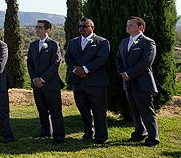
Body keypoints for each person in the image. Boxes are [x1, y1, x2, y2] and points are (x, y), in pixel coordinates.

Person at [65, 17, 110, 144]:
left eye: (85, 26)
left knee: (98, 110)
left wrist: (85, 69)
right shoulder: (73, 42)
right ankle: (87, 133)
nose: (82, 28)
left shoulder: (102, 42)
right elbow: (68, 58)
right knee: (83, 109)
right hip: (78, 82)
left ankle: (101, 136)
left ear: (92, 27)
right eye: (80, 26)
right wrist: (76, 70)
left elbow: (101, 59)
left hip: (96, 82)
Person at [116, 16, 159, 147]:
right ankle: (139, 132)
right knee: (134, 110)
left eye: (131, 25)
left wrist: (129, 74)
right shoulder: (124, 42)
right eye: (127, 25)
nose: (127, 27)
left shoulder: (148, 42)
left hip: (142, 82)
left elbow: (146, 62)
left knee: (146, 110)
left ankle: (153, 137)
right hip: (128, 82)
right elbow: (118, 59)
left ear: (141, 27)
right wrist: (122, 72)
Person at [27, 20, 65, 143]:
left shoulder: (54, 44)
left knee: (55, 111)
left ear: (48, 30)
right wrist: (34, 79)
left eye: (40, 27)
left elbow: (55, 63)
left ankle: (59, 136)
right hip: (37, 84)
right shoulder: (33, 45)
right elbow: (30, 63)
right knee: (42, 110)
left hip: (51, 84)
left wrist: (43, 79)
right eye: (36, 27)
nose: (37, 29)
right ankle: (45, 132)